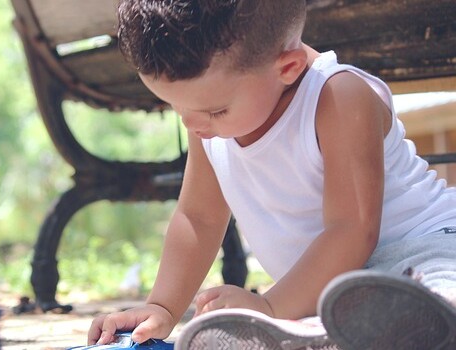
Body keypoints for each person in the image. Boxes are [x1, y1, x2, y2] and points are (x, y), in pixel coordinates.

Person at [87, 0, 456, 348]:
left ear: (288, 67)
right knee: (331, 314)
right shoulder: (207, 119)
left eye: (214, 110)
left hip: (425, 247)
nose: (190, 122)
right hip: (336, 288)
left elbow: (352, 230)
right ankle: (336, 331)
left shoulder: (338, 95)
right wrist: (162, 307)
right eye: (174, 105)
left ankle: (426, 315)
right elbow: (198, 217)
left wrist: (269, 308)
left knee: (438, 286)